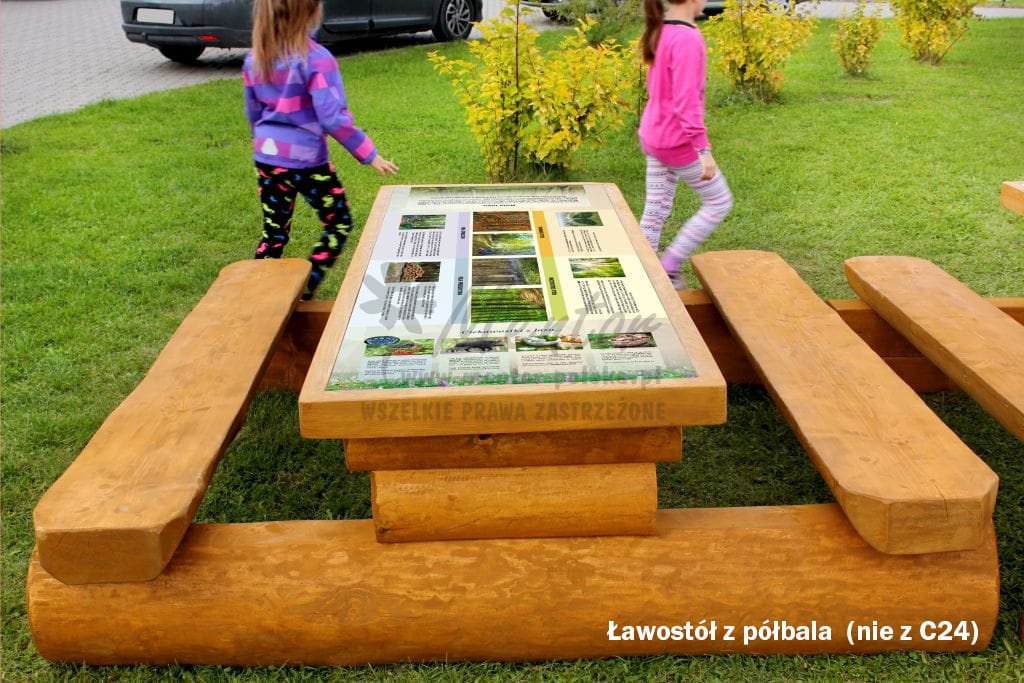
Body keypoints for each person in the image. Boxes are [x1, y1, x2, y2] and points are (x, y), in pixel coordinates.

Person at [243, 0, 398, 300]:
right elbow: (332, 118)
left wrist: (263, 145)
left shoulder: (255, 58)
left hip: (267, 157)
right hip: (305, 162)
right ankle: (303, 291)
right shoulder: (317, 59)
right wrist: (369, 154)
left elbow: (253, 112)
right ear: (312, 12)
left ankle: (253, 295)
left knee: (274, 232)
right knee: (339, 223)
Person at [637, 0, 733, 289]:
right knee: (719, 202)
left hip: (653, 135)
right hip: (676, 142)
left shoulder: (661, 29)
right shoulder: (688, 38)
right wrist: (703, 150)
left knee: (656, 207)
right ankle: (668, 267)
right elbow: (686, 101)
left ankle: (641, 269)